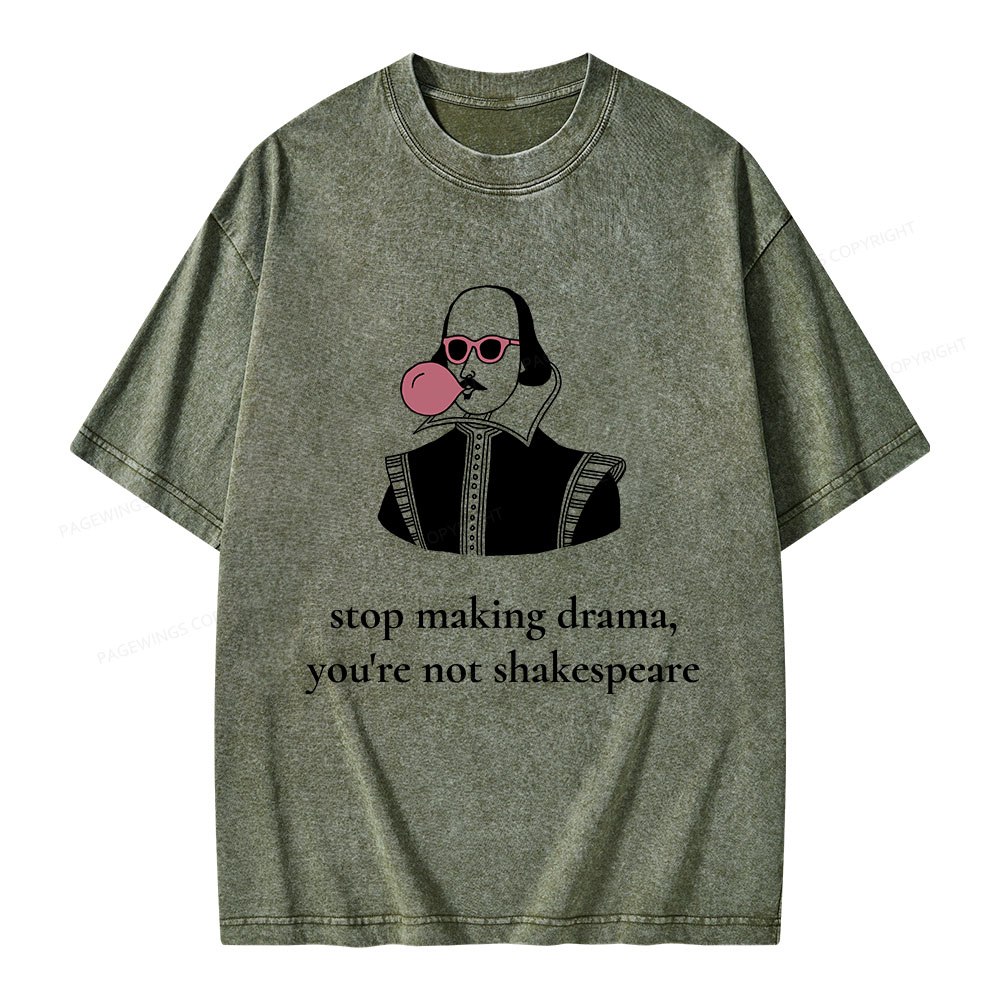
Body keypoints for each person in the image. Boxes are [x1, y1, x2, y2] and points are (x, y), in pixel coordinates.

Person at [378, 284, 626, 555]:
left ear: (523, 360)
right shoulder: (407, 480)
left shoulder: (588, 486)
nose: (467, 369)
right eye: (458, 349)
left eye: (490, 348)